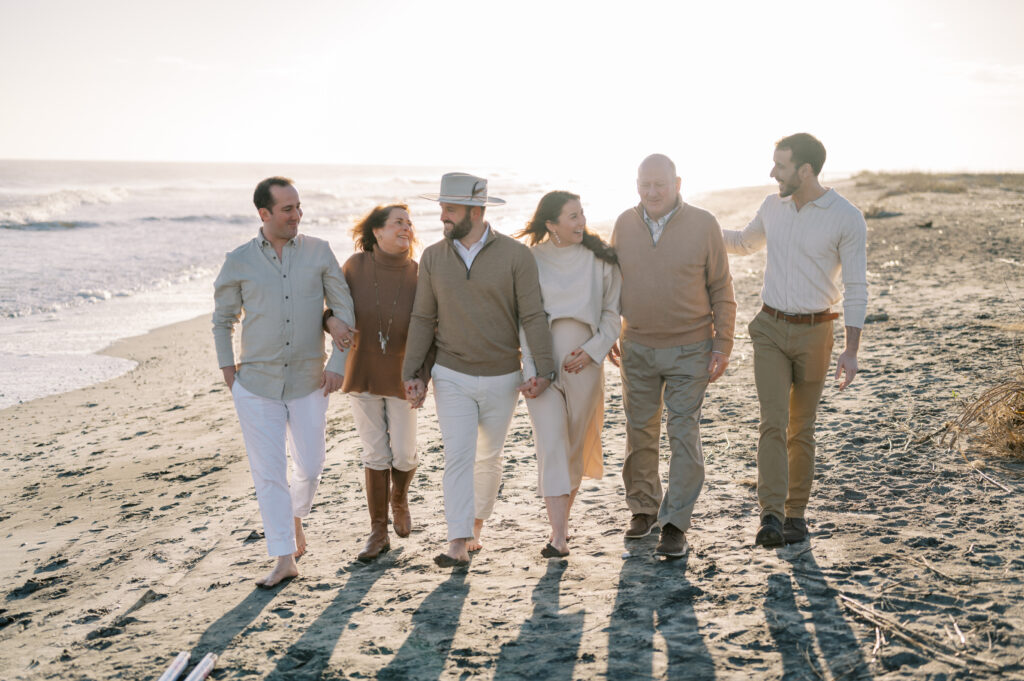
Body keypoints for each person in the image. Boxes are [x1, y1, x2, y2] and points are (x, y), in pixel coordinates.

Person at [402, 172, 556, 567]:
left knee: (488, 458)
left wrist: (544, 369)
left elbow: (533, 314)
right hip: (452, 373)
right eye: (441, 210)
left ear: (475, 210)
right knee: (458, 455)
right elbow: (422, 317)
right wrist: (413, 373)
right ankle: (456, 540)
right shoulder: (434, 257)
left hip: (504, 376)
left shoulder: (515, 256)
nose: (442, 218)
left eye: (449, 210)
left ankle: (476, 527)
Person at [721, 133, 867, 548]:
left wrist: (851, 350)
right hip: (769, 328)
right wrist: (700, 225)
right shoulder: (772, 206)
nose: (772, 173)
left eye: (780, 166)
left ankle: (795, 515)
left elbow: (857, 286)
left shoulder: (845, 217)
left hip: (817, 332)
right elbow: (743, 244)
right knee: (773, 421)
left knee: (801, 428)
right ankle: (770, 513)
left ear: (805, 170)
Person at [213, 176, 355, 587]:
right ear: (265, 214)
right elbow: (222, 320)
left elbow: (344, 310)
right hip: (255, 385)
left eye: (298, 207)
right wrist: (228, 371)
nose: (297, 215)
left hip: (311, 380)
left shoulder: (319, 251)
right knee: (268, 474)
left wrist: (339, 361)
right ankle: (283, 557)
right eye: (288, 209)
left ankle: (296, 516)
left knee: (311, 467)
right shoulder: (238, 260)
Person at [609, 154, 736, 558]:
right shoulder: (624, 224)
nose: (651, 192)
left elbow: (721, 287)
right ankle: (644, 509)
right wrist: (610, 327)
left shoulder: (704, 224)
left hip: (690, 349)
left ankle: (675, 523)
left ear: (677, 183)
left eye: (659, 184)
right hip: (638, 347)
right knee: (639, 431)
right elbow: (611, 282)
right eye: (644, 184)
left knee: (683, 433)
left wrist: (723, 343)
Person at [323, 204, 433, 562]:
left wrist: (423, 375)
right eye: (398, 222)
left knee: (403, 451)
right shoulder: (355, 267)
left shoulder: (420, 273)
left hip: (404, 373)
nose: (406, 227)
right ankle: (378, 530)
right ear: (377, 232)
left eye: (409, 223)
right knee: (375, 452)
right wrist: (328, 322)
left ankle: (399, 498)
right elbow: (328, 305)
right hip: (363, 368)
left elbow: (433, 329)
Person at [515, 191, 621, 558]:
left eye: (582, 214)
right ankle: (558, 537)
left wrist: (593, 352)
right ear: (551, 224)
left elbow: (611, 314)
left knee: (573, 445)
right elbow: (523, 319)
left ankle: (561, 527)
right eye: (572, 216)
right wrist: (531, 368)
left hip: (584, 364)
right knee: (552, 442)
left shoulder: (600, 257)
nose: (581, 222)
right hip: (541, 362)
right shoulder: (530, 260)